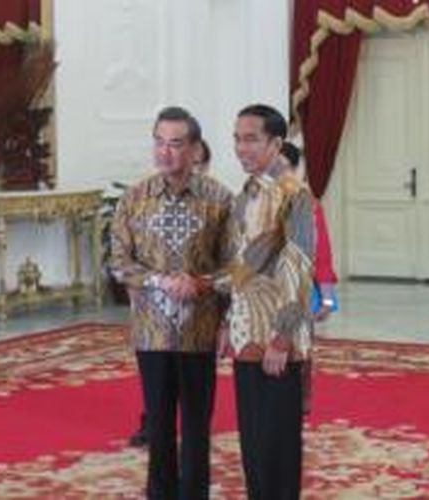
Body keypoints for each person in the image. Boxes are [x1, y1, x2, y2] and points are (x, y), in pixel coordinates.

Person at [109, 106, 233, 499]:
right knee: (159, 424)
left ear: (195, 149)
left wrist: (202, 284)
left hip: (200, 329)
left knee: (197, 425)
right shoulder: (134, 199)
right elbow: (118, 262)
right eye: (159, 142)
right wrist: (160, 280)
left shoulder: (220, 199)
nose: (166, 152)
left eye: (176, 144)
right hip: (152, 331)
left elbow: (237, 267)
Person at [217, 104, 315, 499]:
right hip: (245, 333)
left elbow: (299, 266)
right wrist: (227, 321)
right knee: (254, 441)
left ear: (276, 143)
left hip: (277, 339)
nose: (242, 147)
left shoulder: (294, 193)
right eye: (237, 138)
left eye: (251, 138)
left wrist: (282, 336)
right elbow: (238, 264)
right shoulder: (248, 191)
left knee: (277, 443)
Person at [279, 142, 339, 416]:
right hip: (266, 292)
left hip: (302, 291)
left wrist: (327, 297)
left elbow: (322, 254)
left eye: (288, 167)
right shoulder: (253, 202)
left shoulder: (309, 205)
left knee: (301, 348)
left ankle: (301, 396)